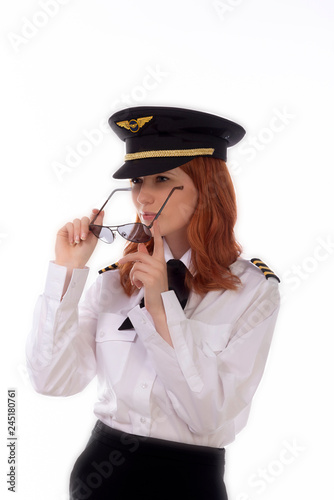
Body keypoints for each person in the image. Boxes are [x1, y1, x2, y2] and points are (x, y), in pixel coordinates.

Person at [26, 106, 280, 500]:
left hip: (187, 481)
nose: (143, 196)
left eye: (162, 179)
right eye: (138, 181)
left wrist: (162, 307)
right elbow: (52, 381)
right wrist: (66, 272)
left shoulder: (252, 290)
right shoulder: (116, 279)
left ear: (207, 186)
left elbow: (208, 415)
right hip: (100, 476)